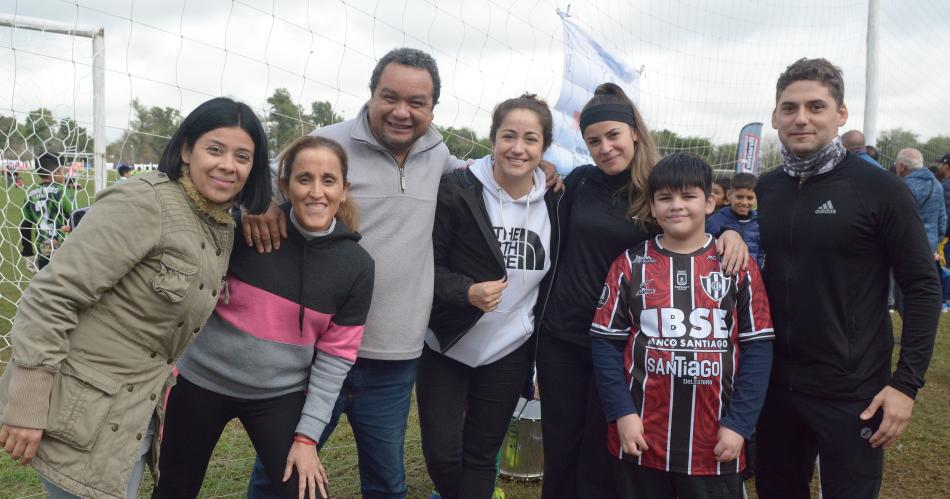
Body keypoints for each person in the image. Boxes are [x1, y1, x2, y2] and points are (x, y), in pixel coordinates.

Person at [243, 48, 558, 499]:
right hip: (319, 346)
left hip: (395, 355)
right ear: (371, 95)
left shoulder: (437, 153)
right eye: (390, 97)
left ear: (433, 109)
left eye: (417, 103)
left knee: (388, 483)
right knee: (281, 470)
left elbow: (486, 175)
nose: (402, 112)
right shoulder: (326, 145)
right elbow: (261, 185)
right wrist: (259, 206)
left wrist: (540, 167)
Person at [0, 96, 272, 499]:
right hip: (75, 414)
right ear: (185, 149)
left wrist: (270, 211)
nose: (228, 164)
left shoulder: (220, 227)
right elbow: (51, 296)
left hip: (130, 418)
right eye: (215, 149)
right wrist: (27, 403)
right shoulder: (144, 201)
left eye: (242, 156)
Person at [534, 83, 749, 499]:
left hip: (624, 343)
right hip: (563, 335)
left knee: (604, 450)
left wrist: (729, 233)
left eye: (613, 135)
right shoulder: (578, 182)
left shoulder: (656, 189)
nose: (605, 148)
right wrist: (540, 170)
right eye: (593, 141)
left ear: (634, 132)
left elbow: (689, 218)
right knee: (560, 446)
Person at [754, 58, 940, 499]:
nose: (801, 118)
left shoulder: (880, 189)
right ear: (776, 115)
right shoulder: (768, 188)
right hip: (776, 388)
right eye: (790, 107)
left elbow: (922, 286)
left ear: (840, 115)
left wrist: (906, 384)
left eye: (816, 106)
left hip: (854, 391)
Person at [153, 135, 373, 499]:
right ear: (284, 186)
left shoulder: (358, 266)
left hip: (279, 395)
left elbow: (336, 359)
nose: (316, 192)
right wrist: (249, 204)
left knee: (305, 491)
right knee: (174, 488)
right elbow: (195, 194)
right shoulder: (249, 229)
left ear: (344, 189)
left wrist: (307, 436)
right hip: (200, 382)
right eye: (304, 179)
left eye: (328, 180)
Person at [591, 153, 773, 499]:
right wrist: (622, 413)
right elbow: (604, 343)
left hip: (714, 442)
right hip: (642, 434)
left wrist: (739, 425)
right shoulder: (630, 264)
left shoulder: (738, 266)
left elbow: (759, 347)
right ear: (653, 206)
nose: (676, 206)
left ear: (710, 202)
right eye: (665, 198)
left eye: (688, 196)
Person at [418, 94, 559, 498]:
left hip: (508, 349)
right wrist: (465, 292)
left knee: (481, 455)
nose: (518, 148)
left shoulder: (554, 200)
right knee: (443, 455)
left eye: (531, 139)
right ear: (493, 139)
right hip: (447, 343)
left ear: (543, 147)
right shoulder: (457, 189)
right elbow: (427, 265)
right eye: (508, 136)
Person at [892, 147, 946, 316]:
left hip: (905, 246)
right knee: (921, 289)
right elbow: (942, 219)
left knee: (902, 291)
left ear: (902, 166)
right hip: (928, 247)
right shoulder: (937, 185)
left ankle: (909, 326)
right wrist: (934, 243)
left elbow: (896, 219)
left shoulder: (902, 186)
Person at [19, 153, 74, 270]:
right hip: (65, 249)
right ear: (55, 173)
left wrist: (28, 252)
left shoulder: (30, 195)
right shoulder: (62, 192)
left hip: (43, 249)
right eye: (62, 171)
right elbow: (77, 218)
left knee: (47, 285)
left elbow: (25, 225)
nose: (64, 175)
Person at [706, 172, 765, 267]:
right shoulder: (715, 221)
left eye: (749, 198)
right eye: (739, 197)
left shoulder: (760, 222)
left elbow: (761, 252)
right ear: (729, 195)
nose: (744, 202)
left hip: (752, 275)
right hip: (723, 275)